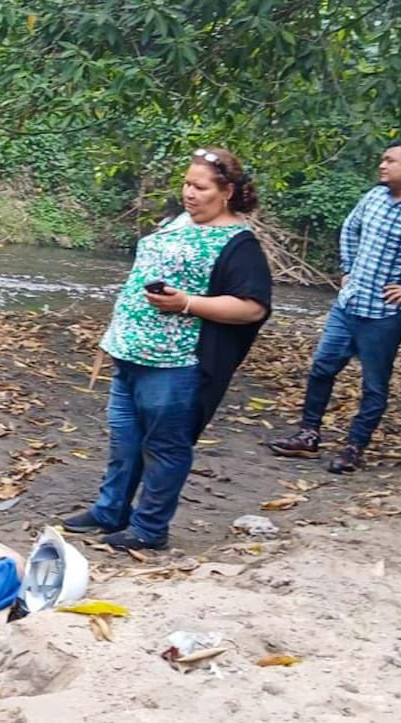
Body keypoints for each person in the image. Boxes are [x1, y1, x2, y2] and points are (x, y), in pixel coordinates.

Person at [63, 147, 272, 550]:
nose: (189, 193)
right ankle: (110, 511)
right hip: (130, 350)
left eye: (200, 187)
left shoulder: (239, 243)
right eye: (186, 184)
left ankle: (149, 528)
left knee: (163, 447)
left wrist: (188, 303)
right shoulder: (179, 221)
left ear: (226, 191)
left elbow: (252, 307)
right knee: (124, 442)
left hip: (175, 362)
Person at [269, 140, 401, 473]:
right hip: (349, 304)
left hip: (387, 314)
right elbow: (350, 227)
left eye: (390, 160)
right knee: (322, 367)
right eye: (382, 159)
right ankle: (308, 434)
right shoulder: (375, 196)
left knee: (374, 385)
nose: (382, 165)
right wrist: (347, 268)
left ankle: (353, 447)